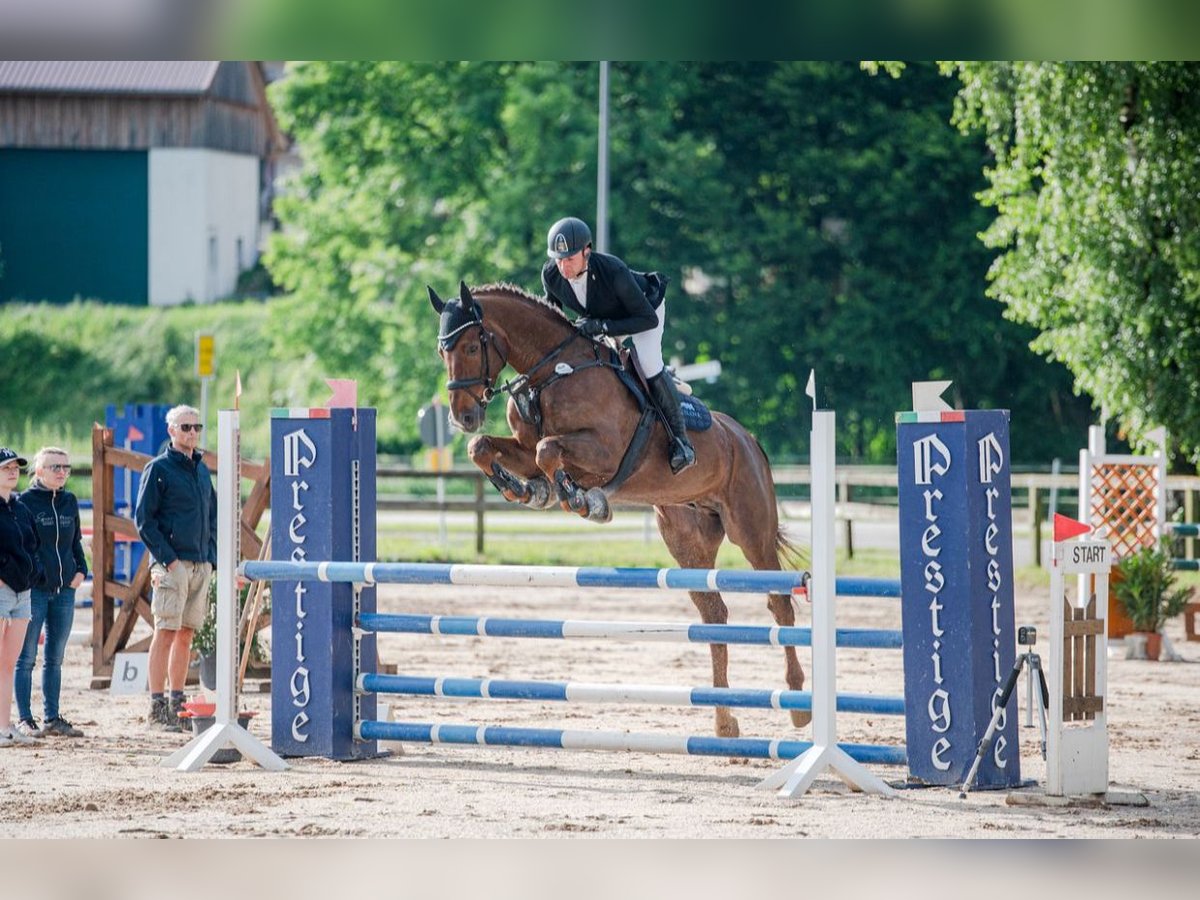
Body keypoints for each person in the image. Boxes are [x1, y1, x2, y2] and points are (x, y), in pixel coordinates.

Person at [541, 216, 696, 474]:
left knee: (648, 363)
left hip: (643, 312)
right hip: (603, 317)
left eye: (569, 259)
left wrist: (602, 327)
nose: (563, 267)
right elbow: (553, 322)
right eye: (558, 259)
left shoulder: (613, 271)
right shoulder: (551, 275)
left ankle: (682, 443)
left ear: (586, 252)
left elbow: (646, 318)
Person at [134, 405, 216, 731]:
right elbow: (144, 521)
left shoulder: (201, 469)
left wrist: (211, 558)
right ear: (171, 431)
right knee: (165, 631)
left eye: (196, 426)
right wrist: (168, 561)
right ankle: (156, 706)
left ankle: (177, 702)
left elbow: (212, 516)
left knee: (186, 635)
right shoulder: (158, 469)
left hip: (200, 562)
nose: (192, 432)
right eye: (185, 427)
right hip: (173, 564)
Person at [15, 447, 88, 738]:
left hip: (65, 590)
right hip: (35, 591)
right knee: (27, 656)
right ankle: (24, 718)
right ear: (39, 470)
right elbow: (21, 545)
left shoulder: (69, 501)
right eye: (55, 467)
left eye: (66, 467)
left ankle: (52, 716)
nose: (62, 472)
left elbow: (76, 542)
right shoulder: (25, 502)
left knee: (55, 657)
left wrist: (81, 570)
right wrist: (34, 575)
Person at [0, 447, 40, 748]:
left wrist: (32, 574)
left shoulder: (21, 507)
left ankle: (5, 724)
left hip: (22, 592)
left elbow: (34, 544)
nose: (13, 471)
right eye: (6, 468)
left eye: (15, 467)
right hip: (2, 589)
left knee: (8, 663)